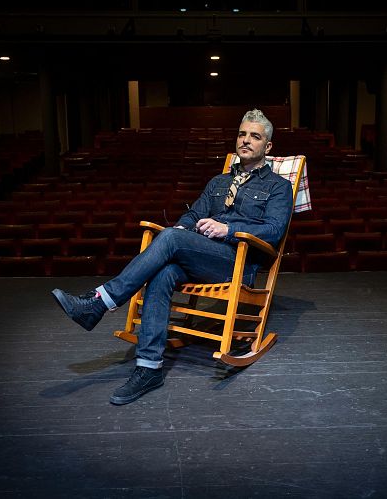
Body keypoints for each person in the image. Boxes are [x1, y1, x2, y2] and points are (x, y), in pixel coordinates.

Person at [52, 109, 293, 405]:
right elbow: (194, 215)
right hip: (201, 256)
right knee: (163, 271)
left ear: (268, 146)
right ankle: (149, 368)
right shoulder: (218, 182)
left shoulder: (278, 186)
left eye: (254, 136)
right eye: (242, 134)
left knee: (169, 238)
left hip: (236, 261)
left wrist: (228, 229)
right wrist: (182, 227)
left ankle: (100, 302)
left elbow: (274, 230)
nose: (245, 140)